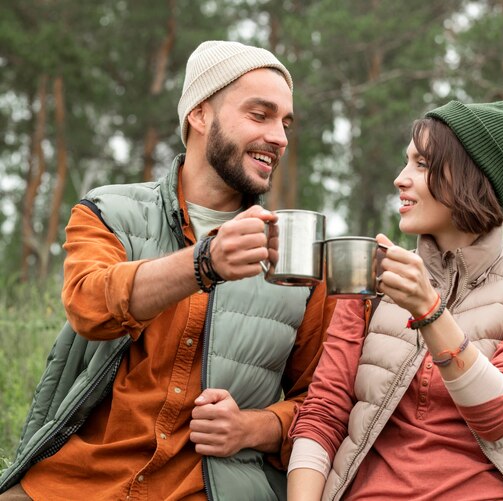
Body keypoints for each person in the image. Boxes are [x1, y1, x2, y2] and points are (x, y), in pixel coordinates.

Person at [0, 41, 336, 501]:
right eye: (260, 115)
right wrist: (203, 263)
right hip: (75, 484)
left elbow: (324, 404)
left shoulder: (297, 258)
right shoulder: (109, 211)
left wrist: (253, 427)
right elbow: (88, 303)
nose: (279, 137)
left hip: (209, 489)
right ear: (199, 115)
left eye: (285, 123)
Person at [287, 100, 503, 500]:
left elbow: (500, 417)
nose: (400, 179)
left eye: (421, 164)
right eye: (407, 162)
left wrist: (429, 311)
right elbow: (323, 413)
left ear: (471, 177)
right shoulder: (370, 281)